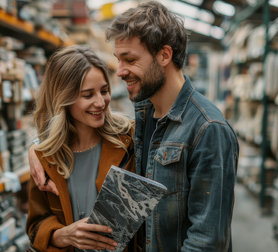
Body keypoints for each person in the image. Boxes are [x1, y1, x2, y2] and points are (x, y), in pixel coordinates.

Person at [30, 1, 238, 251]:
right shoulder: (143, 120)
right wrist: (36, 148)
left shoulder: (208, 128)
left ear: (164, 55)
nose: (119, 71)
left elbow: (206, 241)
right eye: (118, 60)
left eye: (129, 59)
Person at [26, 45, 137, 251]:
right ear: (63, 98)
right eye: (87, 95)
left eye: (104, 91)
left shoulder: (128, 140)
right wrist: (64, 235)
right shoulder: (46, 158)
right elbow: (35, 227)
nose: (100, 102)